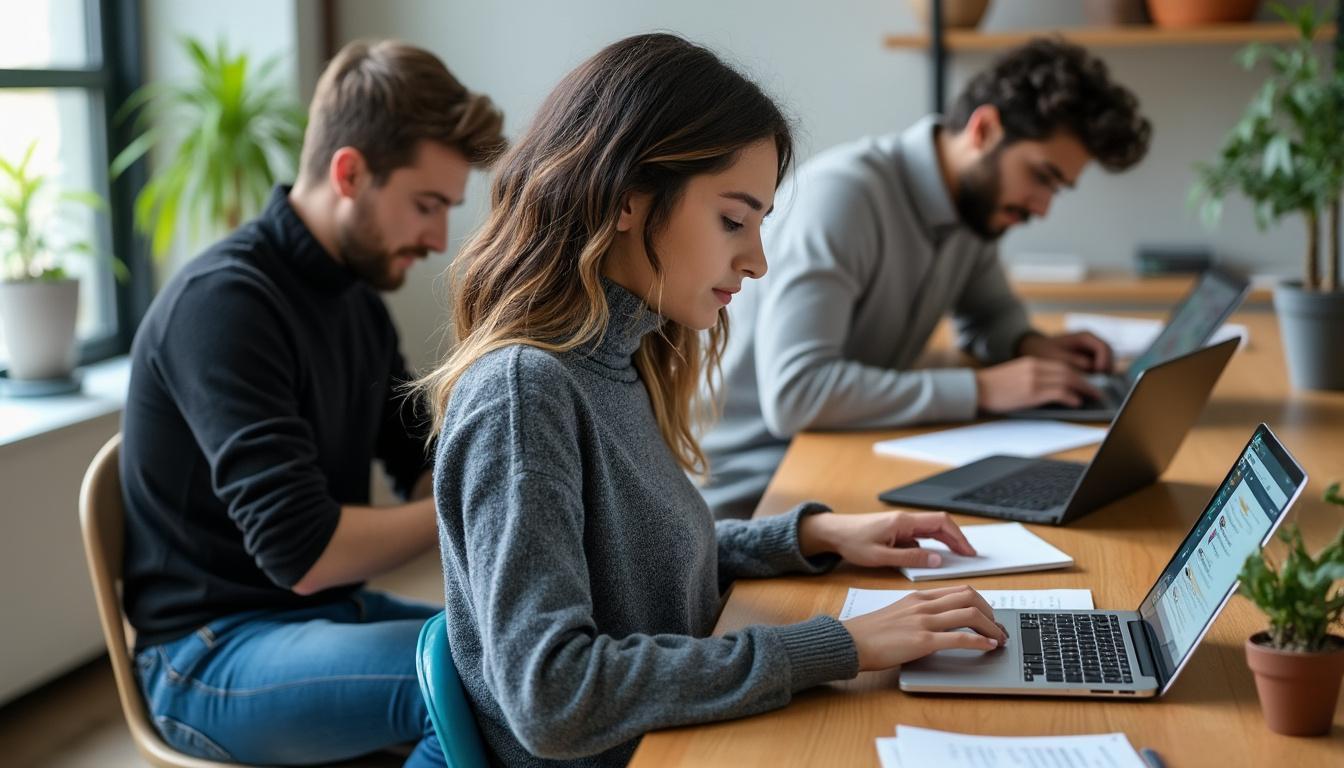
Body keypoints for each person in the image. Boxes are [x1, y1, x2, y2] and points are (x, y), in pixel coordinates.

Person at [418, 33, 1007, 768]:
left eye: (759, 224)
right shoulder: (524, 396)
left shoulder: (618, 359)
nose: (757, 260)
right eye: (734, 219)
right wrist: (841, 645)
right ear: (629, 199)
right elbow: (553, 696)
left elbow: (636, 564)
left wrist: (814, 537)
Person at [119, 40, 504, 766]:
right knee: (460, 685)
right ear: (350, 171)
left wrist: (485, 496)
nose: (438, 238)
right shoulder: (225, 305)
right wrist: (470, 503)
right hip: (206, 655)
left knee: (521, 659)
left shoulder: (354, 301)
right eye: (426, 205)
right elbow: (306, 554)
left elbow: (421, 459)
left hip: (319, 618)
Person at [700, 38, 1153, 519]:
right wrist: (985, 391)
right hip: (756, 489)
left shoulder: (974, 211)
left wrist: (1029, 345)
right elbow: (798, 394)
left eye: (1057, 189)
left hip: (841, 459)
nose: (1041, 207)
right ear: (985, 128)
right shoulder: (845, 198)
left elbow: (991, 315)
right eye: (1041, 176)